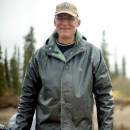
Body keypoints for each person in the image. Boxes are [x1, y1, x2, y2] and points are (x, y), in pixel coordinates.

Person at [16, 2, 114, 130]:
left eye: (70, 18)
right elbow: (27, 100)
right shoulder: (39, 57)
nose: (65, 23)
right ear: (54, 21)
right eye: (60, 18)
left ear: (78, 22)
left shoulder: (93, 54)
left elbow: (105, 97)